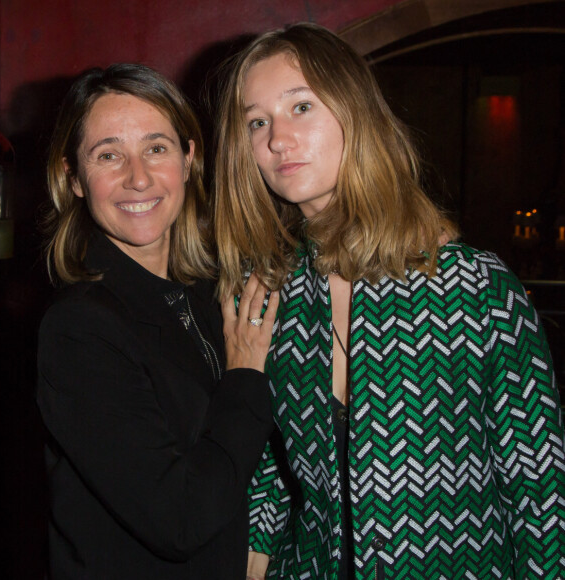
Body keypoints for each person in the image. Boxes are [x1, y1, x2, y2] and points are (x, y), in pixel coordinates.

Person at [213, 23, 565, 579]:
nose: (278, 138)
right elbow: (269, 480)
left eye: (300, 107)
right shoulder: (264, 294)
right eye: (257, 122)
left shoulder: (474, 287)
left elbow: (542, 497)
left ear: (356, 114)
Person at [36, 63, 279, 579]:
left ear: (189, 159)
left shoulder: (207, 291)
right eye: (108, 155)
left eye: (156, 148)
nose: (138, 177)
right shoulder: (78, 329)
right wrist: (245, 376)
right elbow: (179, 521)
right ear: (73, 178)